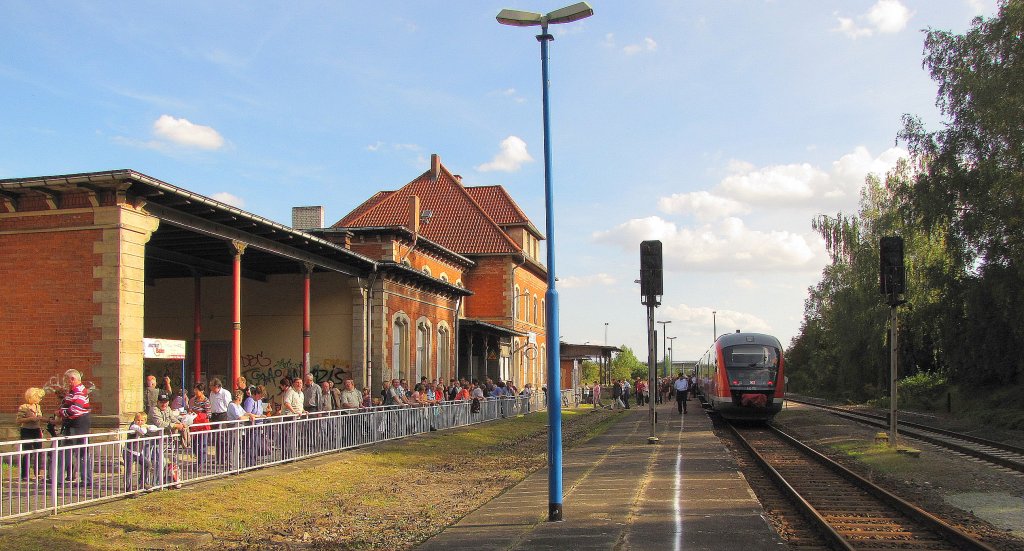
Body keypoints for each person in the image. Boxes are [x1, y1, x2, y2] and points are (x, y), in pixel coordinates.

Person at [55, 369, 92, 487]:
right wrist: (63, 411)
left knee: (81, 452)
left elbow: (75, 409)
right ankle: (59, 479)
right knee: (65, 451)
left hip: (79, 424)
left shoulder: (79, 391)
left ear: (72, 379)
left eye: (67, 379)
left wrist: (61, 412)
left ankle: (86, 479)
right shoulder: (73, 391)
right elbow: (66, 405)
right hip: (71, 423)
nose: (66, 382)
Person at [16, 387, 46, 481]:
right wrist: (30, 419)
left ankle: (37, 473)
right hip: (26, 430)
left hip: (36, 430)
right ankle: (25, 475)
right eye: (38, 397)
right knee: (27, 452)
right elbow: (18, 420)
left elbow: (40, 416)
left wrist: (42, 419)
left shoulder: (38, 406)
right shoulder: (23, 407)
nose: (40, 399)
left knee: (38, 451)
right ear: (32, 397)